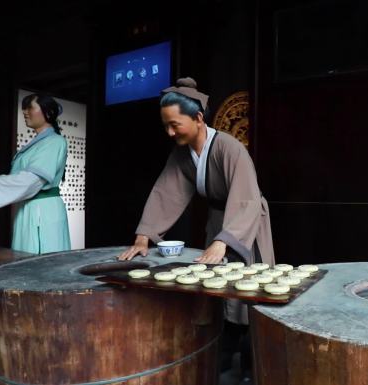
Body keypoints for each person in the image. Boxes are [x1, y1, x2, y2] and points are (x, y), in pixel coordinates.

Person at [118, 77, 274, 381]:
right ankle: (223, 362)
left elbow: (246, 199)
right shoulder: (181, 154)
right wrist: (144, 235)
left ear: (198, 118)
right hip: (219, 222)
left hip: (246, 223)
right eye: (166, 125)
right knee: (218, 293)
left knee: (247, 294)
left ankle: (253, 368)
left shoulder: (229, 148)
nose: (170, 132)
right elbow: (166, 192)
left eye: (175, 124)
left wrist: (224, 242)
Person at [0, 93, 71, 255]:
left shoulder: (54, 142)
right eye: (24, 108)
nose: (25, 112)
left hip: (42, 212)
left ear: (48, 112)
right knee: (26, 262)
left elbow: (32, 180)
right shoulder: (37, 144)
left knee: (41, 263)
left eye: (30, 107)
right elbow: (19, 180)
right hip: (29, 208)